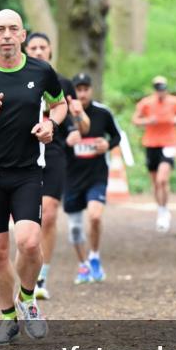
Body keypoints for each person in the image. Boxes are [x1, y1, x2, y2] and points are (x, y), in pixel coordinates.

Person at [0, 10, 68, 345]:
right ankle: (7, 320)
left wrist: (50, 125)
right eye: (0, 30)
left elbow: (59, 105)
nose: (6, 35)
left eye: (13, 29)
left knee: (30, 242)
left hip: (27, 171)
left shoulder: (41, 71)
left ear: (22, 35)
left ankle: (29, 299)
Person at [24, 32, 90, 300]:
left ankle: (41, 277)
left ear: (51, 51)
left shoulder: (62, 83)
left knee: (49, 214)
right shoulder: (17, 81)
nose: (38, 51)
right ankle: (27, 262)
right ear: (26, 51)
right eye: (34, 47)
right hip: (23, 151)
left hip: (54, 151)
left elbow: (81, 127)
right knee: (27, 219)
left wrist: (79, 119)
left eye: (43, 47)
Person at [64, 73, 121, 284]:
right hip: (71, 177)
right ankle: (83, 266)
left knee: (95, 216)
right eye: (78, 89)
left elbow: (117, 136)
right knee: (75, 228)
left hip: (96, 175)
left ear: (91, 90)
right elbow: (54, 141)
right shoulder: (64, 113)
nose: (82, 93)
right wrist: (67, 142)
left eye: (85, 88)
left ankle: (94, 256)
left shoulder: (103, 113)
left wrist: (107, 145)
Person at [132, 75, 176, 232]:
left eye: (162, 87)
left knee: (162, 180)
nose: (160, 91)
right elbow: (135, 119)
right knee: (155, 183)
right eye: (157, 88)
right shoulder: (146, 103)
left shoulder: (174, 101)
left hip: (169, 143)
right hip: (151, 144)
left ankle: (164, 209)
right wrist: (148, 121)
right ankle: (161, 210)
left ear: (166, 88)